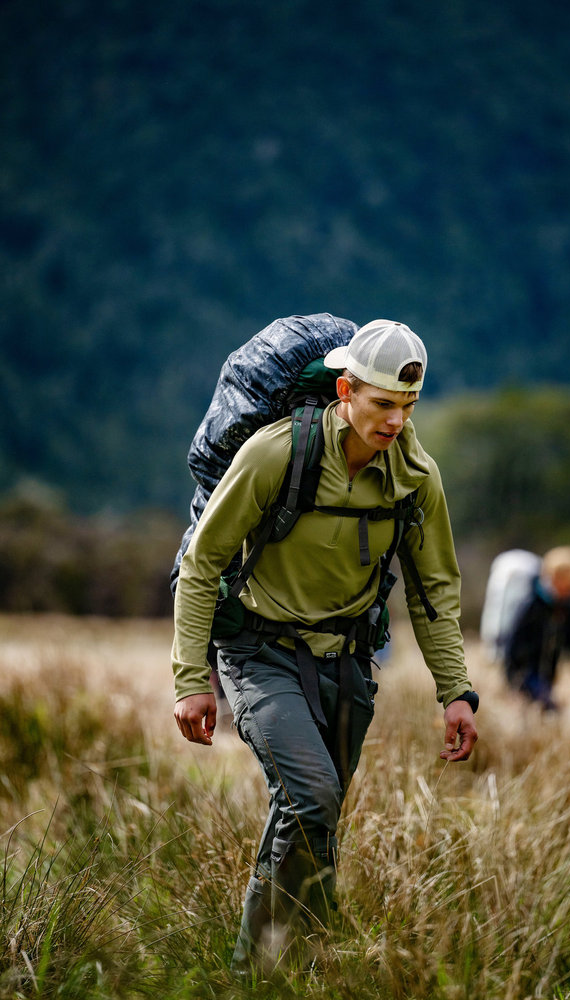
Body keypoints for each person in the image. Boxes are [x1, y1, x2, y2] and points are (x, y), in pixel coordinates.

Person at [171, 319, 479, 972]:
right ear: (345, 389)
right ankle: (280, 962)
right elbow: (202, 565)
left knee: (312, 824)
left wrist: (456, 691)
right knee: (312, 797)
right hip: (259, 657)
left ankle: (276, 970)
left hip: (346, 665)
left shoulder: (414, 477)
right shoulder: (277, 453)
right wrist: (190, 680)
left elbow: (434, 590)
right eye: (382, 404)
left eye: (407, 407)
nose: (396, 422)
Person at [505, 545, 570, 711]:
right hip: (526, 674)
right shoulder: (530, 603)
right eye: (569, 584)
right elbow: (513, 644)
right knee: (549, 710)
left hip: (548, 674)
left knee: (545, 712)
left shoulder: (567, 605)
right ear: (556, 577)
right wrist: (512, 681)